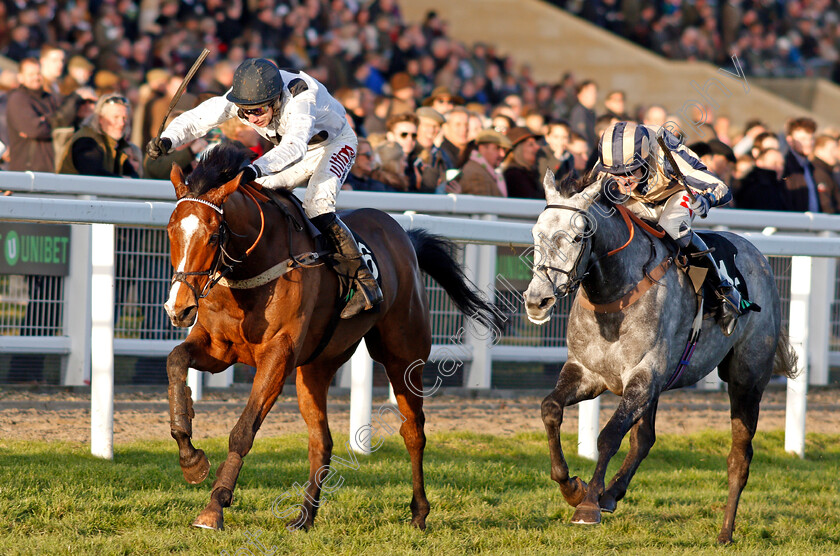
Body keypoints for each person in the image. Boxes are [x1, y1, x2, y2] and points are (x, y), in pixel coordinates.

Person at [146, 58, 381, 319]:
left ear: (276, 99)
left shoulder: (301, 98)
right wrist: (168, 139)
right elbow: (198, 118)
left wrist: (255, 168)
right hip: (293, 149)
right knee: (253, 192)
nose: (250, 118)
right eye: (244, 112)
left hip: (333, 145)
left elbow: (294, 146)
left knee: (317, 204)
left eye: (257, 112)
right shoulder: (247, 97)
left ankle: (364, 281)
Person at [595, 121, 741, 335]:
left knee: (672, 227)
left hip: (674, 194)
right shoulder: (606, 164)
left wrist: (707, 200)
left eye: (630, 171)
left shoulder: (665, 156)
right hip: (638, 199)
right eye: (617, 173)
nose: (623, 180)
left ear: (644, 158)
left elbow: (720, 187)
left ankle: (723, 291)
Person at [58, 93, 139, 177]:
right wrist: (123, 180)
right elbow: (94, 175)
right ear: (100, 118)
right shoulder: (86, 141)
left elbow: (132, 174)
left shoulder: (114, 143)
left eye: (124, 118)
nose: (122, 123)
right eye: (116, 117)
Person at [6, 58, 59, 172]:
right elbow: (34, 129)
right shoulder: (18, 99)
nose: (36, 77)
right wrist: (54, 122)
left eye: (38, 73)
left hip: (50, 169)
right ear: (20, 77)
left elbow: (64, 121)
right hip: (26, 172)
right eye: (31, 74)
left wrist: (45, 121)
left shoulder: (50, 98)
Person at [782, 117, 821, 212]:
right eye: (803, 139)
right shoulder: (784, 168)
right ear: (790, 140)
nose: (808, 143)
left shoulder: (810, 167)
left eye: (811, 139)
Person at [457, 129, 510, 197]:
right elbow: (481, 206)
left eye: (504, 149)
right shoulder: (476, 174)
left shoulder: (481, 170)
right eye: (497, 148)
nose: (502, 154)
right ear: (482, 148)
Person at [503, 127, 543, 199]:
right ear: (519, 150)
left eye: (536, 143)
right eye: (530, 144)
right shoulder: (514, 174)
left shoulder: (530, 172)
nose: (537, 147)